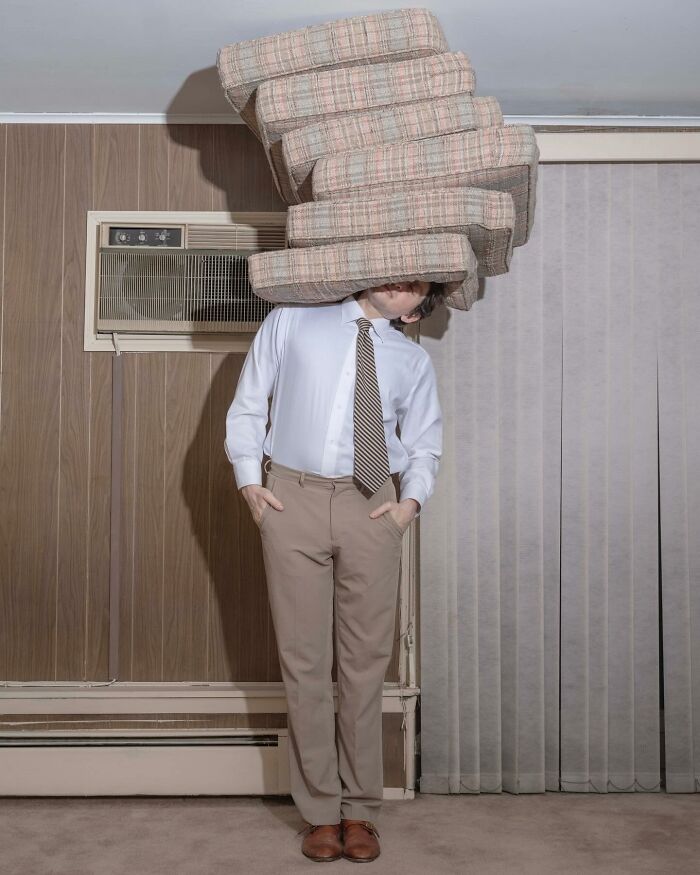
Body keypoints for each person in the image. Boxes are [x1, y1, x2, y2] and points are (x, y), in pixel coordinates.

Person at [224, 279, 444, 863]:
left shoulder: (412, 359)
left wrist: (408, 507)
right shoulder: (292, 321)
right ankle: (321, 811)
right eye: (400, 269)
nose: (403, 282)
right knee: (304, 662)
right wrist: (251, 484)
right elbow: (249, 404)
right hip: (290, 499)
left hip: (371, 504)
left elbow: (424, 444)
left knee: (365, 666)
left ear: (422, 304)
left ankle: (361, 813)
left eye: (419, 283)